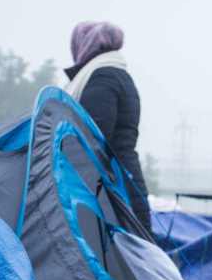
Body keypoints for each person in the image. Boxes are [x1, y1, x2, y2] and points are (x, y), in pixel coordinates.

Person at [64, 21, 153, 233]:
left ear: (85, 45)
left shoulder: (103, 78)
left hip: (115, 194)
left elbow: (91, 141)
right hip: (124, 187)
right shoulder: (114, 74)